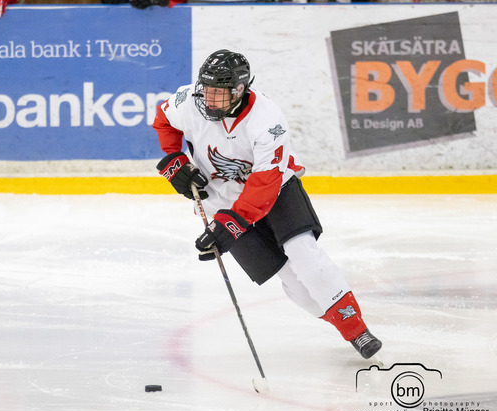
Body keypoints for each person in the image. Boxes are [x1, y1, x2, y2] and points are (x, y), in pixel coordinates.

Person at [153, 49, 382, 359]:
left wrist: (232, 224)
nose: (209, 99)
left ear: (239, 90)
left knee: (304, 255)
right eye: (206, 90)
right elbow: (164, 120)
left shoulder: (267, 119)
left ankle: (356, 330)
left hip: (277, 191)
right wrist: (175, 160)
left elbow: (264, 183)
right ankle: (339, 320)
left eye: (218, 93)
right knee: (294, 284)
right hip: (222, 201)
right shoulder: (189, 100)